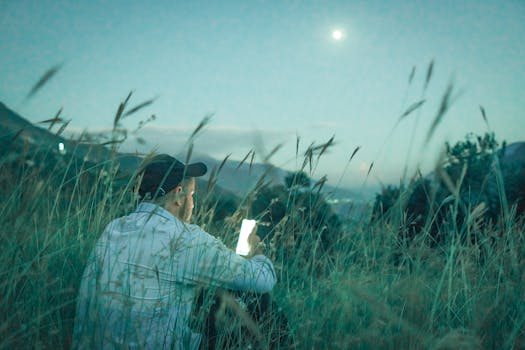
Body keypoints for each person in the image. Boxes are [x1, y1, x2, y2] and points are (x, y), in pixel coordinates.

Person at [72, 154, 277, 349]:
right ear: (179, 195)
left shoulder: (113, 229)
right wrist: (256, 251)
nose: (193, 203)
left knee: (205, 297)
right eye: (192, 195)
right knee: (261, 304)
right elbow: (262, 280)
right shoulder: (184, 239)